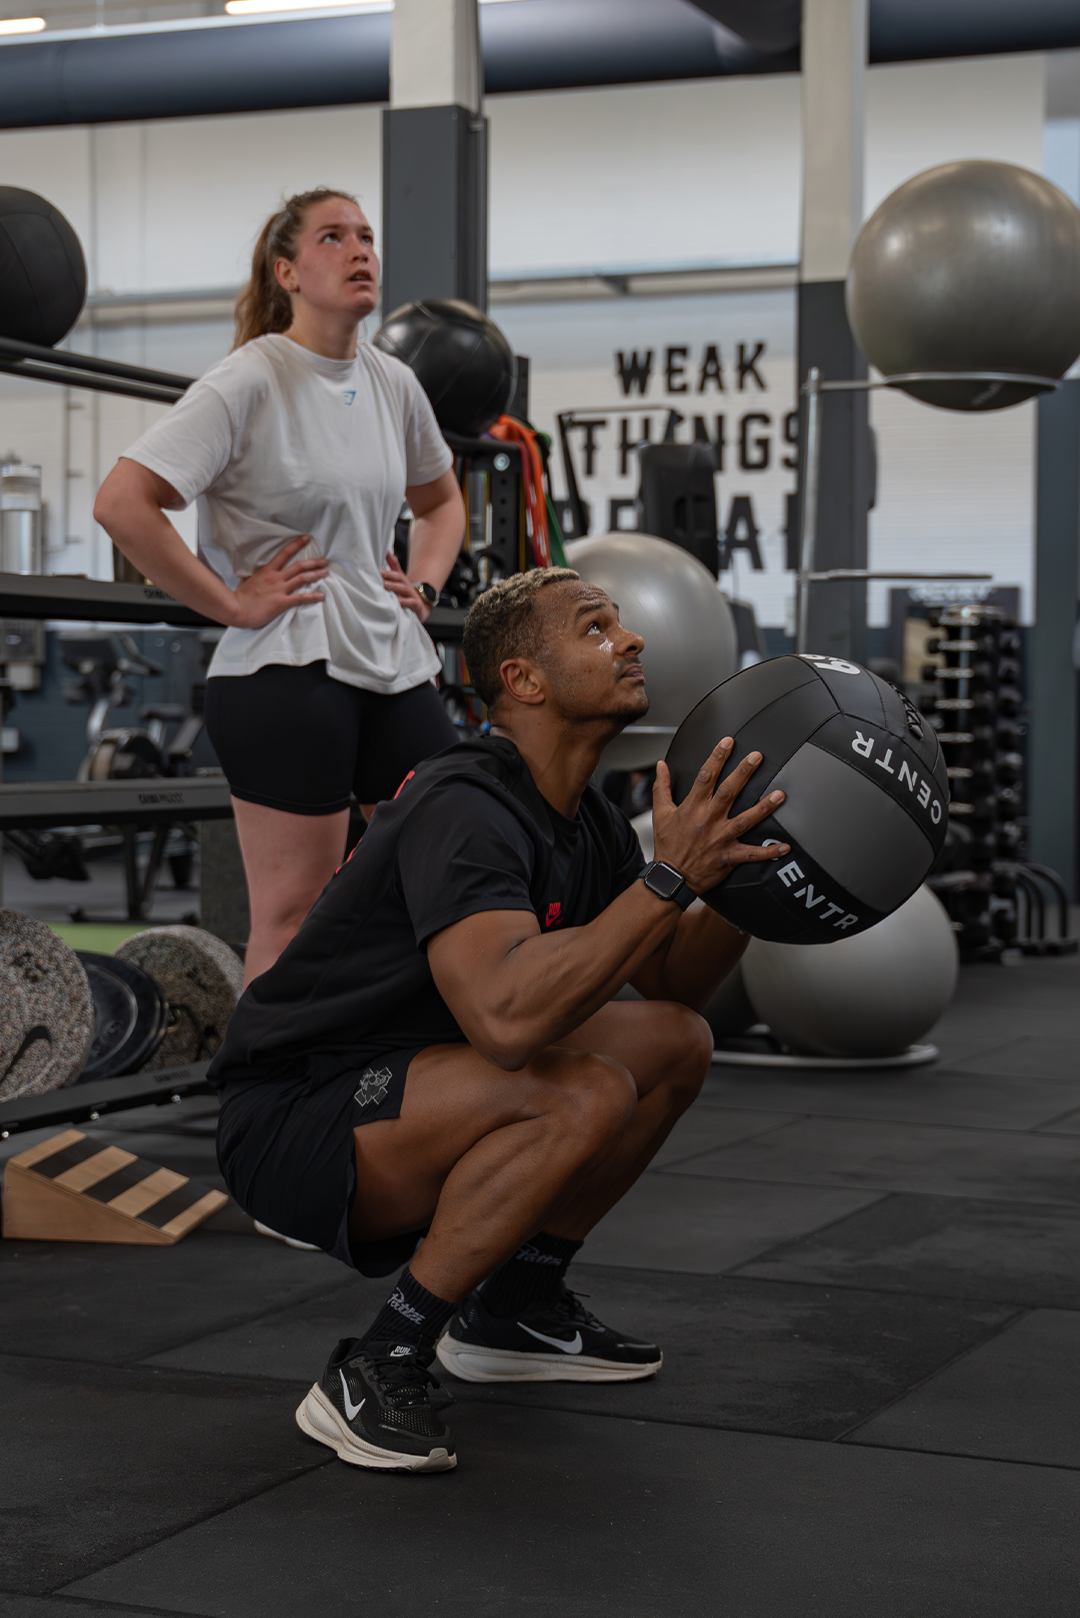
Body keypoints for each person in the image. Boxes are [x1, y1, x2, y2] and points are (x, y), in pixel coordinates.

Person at [207, 566, 790, 1474]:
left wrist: (757, 881)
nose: (630, 641)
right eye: (596, 629)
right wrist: (666, 878)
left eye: (622, 624)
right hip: (296, 1112)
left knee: (674, 1044)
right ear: (522, 680)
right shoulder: (465, 804)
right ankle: (378, 1360)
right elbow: (509, 1022)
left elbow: (674, 981)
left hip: (417, 1071)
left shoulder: (583, 818)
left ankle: (515, 1307)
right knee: (577, 1093)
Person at [93, 187, 465, 984]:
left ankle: (384, 1070)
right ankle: (265, 1100)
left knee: (447, 870)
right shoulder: (249, 379)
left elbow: (441, 502)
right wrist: (230, 602)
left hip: (392, 662)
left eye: (366, 235)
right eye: (334, 237)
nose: (361, 249)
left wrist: (425, 590)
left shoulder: (393, 381)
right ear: (287, 270)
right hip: (286, 668)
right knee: (294, 911)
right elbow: (124, 502)